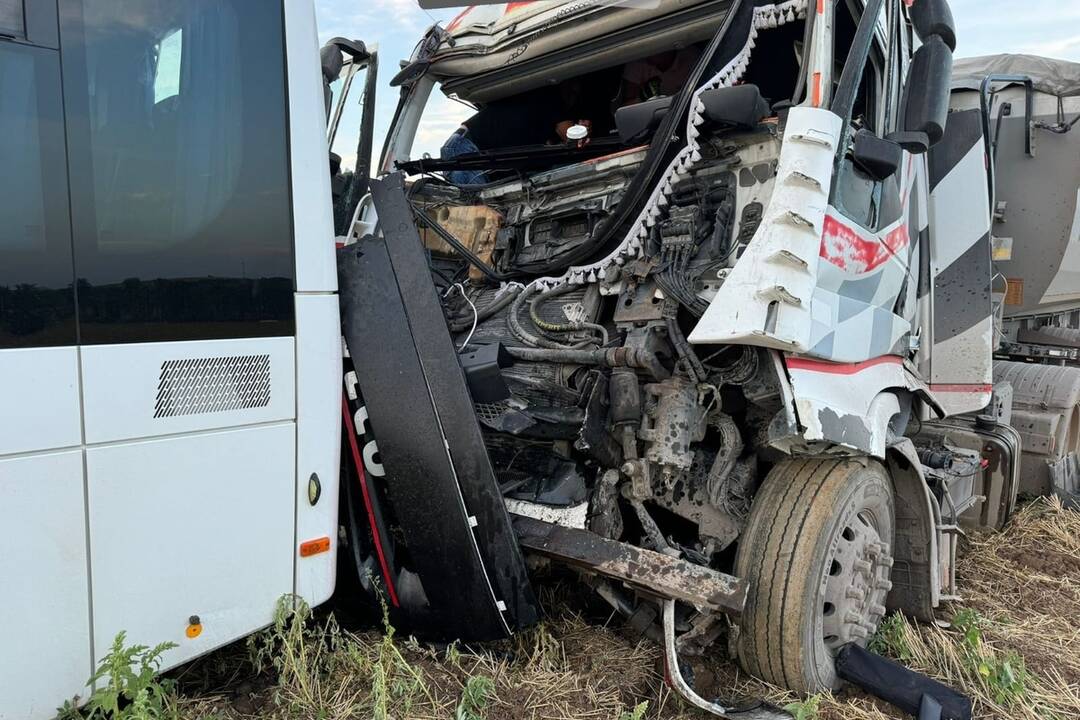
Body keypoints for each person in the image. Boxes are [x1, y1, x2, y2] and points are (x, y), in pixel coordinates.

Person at [621, 46, 699, 104]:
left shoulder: (691, 58)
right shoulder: (637, 63)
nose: (648, 55)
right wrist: (643, 97)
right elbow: (628, 103)